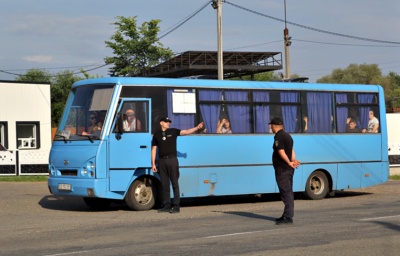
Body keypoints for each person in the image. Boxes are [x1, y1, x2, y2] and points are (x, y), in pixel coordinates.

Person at [151, 117, 204, 214]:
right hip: (162, 161)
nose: (168, 123)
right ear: (161, 123)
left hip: (172, 160)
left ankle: (176, 206)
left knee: (174, 183)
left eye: (169, 122)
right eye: (166, 122)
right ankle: (166, 205)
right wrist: (153, 163)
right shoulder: (156, 135)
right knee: (164, 184)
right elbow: (154, 149)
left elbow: (187, 132)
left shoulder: (173, 131)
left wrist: (197, 128)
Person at [269, 117, 299, 225]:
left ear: (274, 126)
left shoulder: (279, 136)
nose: (270, 127)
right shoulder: (287, 135)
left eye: (271, 125)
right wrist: (293, 161)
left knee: (286, 193)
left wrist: (289, 162)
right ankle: (286, 214)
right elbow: (291, 151)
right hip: (288, 169)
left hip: (282, 170)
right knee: (288, 191)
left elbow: (281, 152)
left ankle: (288, 217)